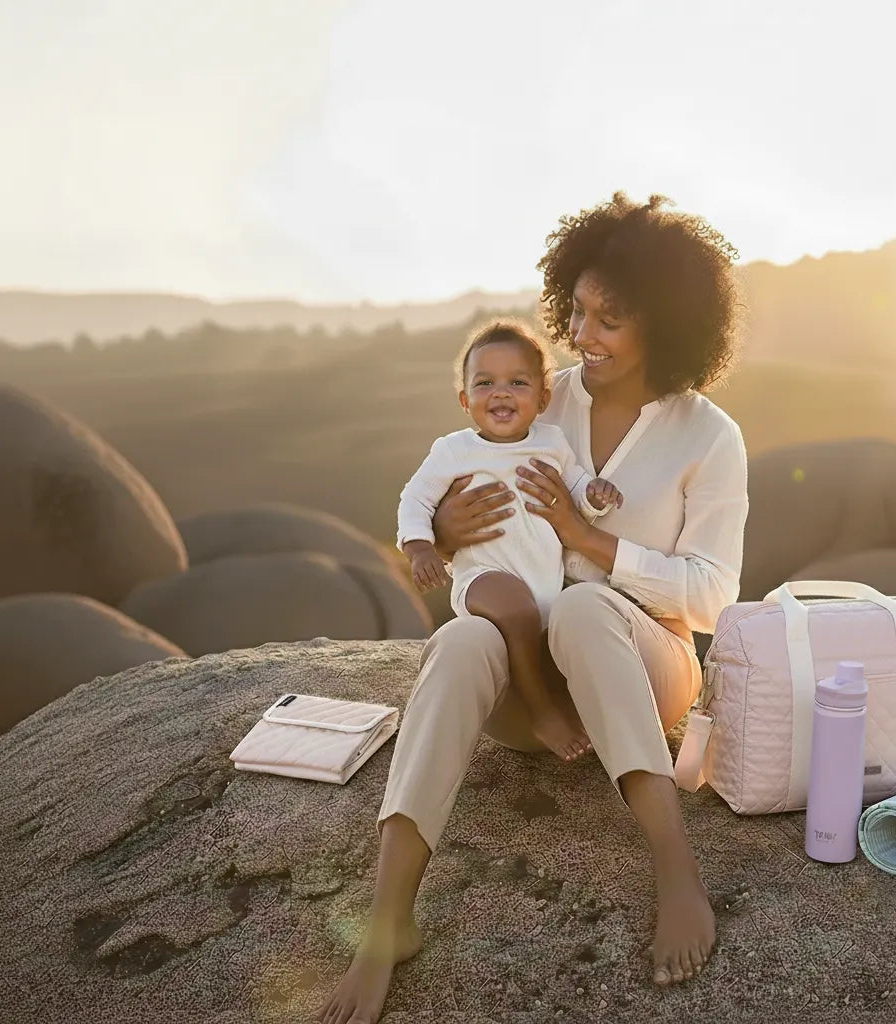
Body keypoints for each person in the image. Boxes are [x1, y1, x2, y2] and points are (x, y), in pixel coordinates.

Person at [317, 192, 749, 1024]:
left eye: (610, 319)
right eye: (577, 311)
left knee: (587, 613)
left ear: (667, 323)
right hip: (527, 688)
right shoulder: (542, 395)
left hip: (642, 666)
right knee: (456, 643)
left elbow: (712, 596)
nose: (581, 336)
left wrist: (589, 543)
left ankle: (675, 870)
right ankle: (386, 918)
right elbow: (450, 480)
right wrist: (439, 529)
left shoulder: (709, 436)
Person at [397, 318, 624, 762]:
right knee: (517, 610)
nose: (500, 392)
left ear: (543, 398)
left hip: (544, 583)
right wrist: (420, 547)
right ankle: (541, 713)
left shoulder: (552, 443)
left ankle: (585, 713)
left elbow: (575, 488)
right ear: (465, 400)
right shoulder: (455, 450)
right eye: (485, 383)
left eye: (517, 382)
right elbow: (414, 499)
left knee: (563, 617)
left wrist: (595, 496)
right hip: (484, 579)